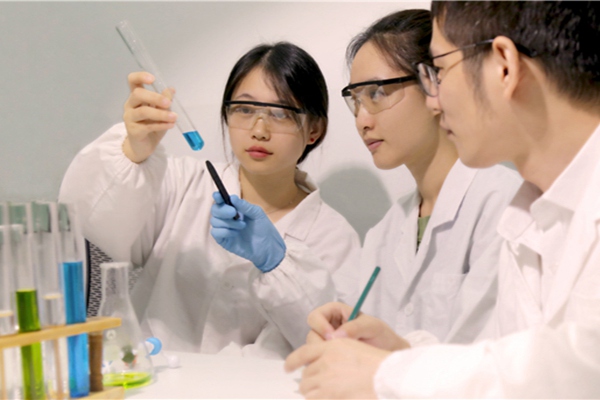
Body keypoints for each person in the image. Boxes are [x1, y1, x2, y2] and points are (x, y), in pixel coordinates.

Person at [285, 2, 600, 398]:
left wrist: (389, 373)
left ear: (504, 66)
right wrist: (397, 351)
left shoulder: (510, 204)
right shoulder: (530, 213)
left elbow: (583, 367)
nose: (434, 99)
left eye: (440, 70)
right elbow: (503, 354)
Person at [58, 41, 360, 358]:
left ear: (314, 129)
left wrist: (279, 263)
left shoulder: (334, 238)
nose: (259, 130)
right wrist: (132, 154)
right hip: (152, 379)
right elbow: (91, 224)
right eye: (245, 109)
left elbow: (330, 343)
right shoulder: (180, 184)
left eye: (281, 113)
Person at [318, 8, 521, 349]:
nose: (362, 121)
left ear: (434, 83)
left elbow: (489, 352)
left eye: (376, 94)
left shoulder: (503, 204)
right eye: (355, 100)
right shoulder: (385, 231)